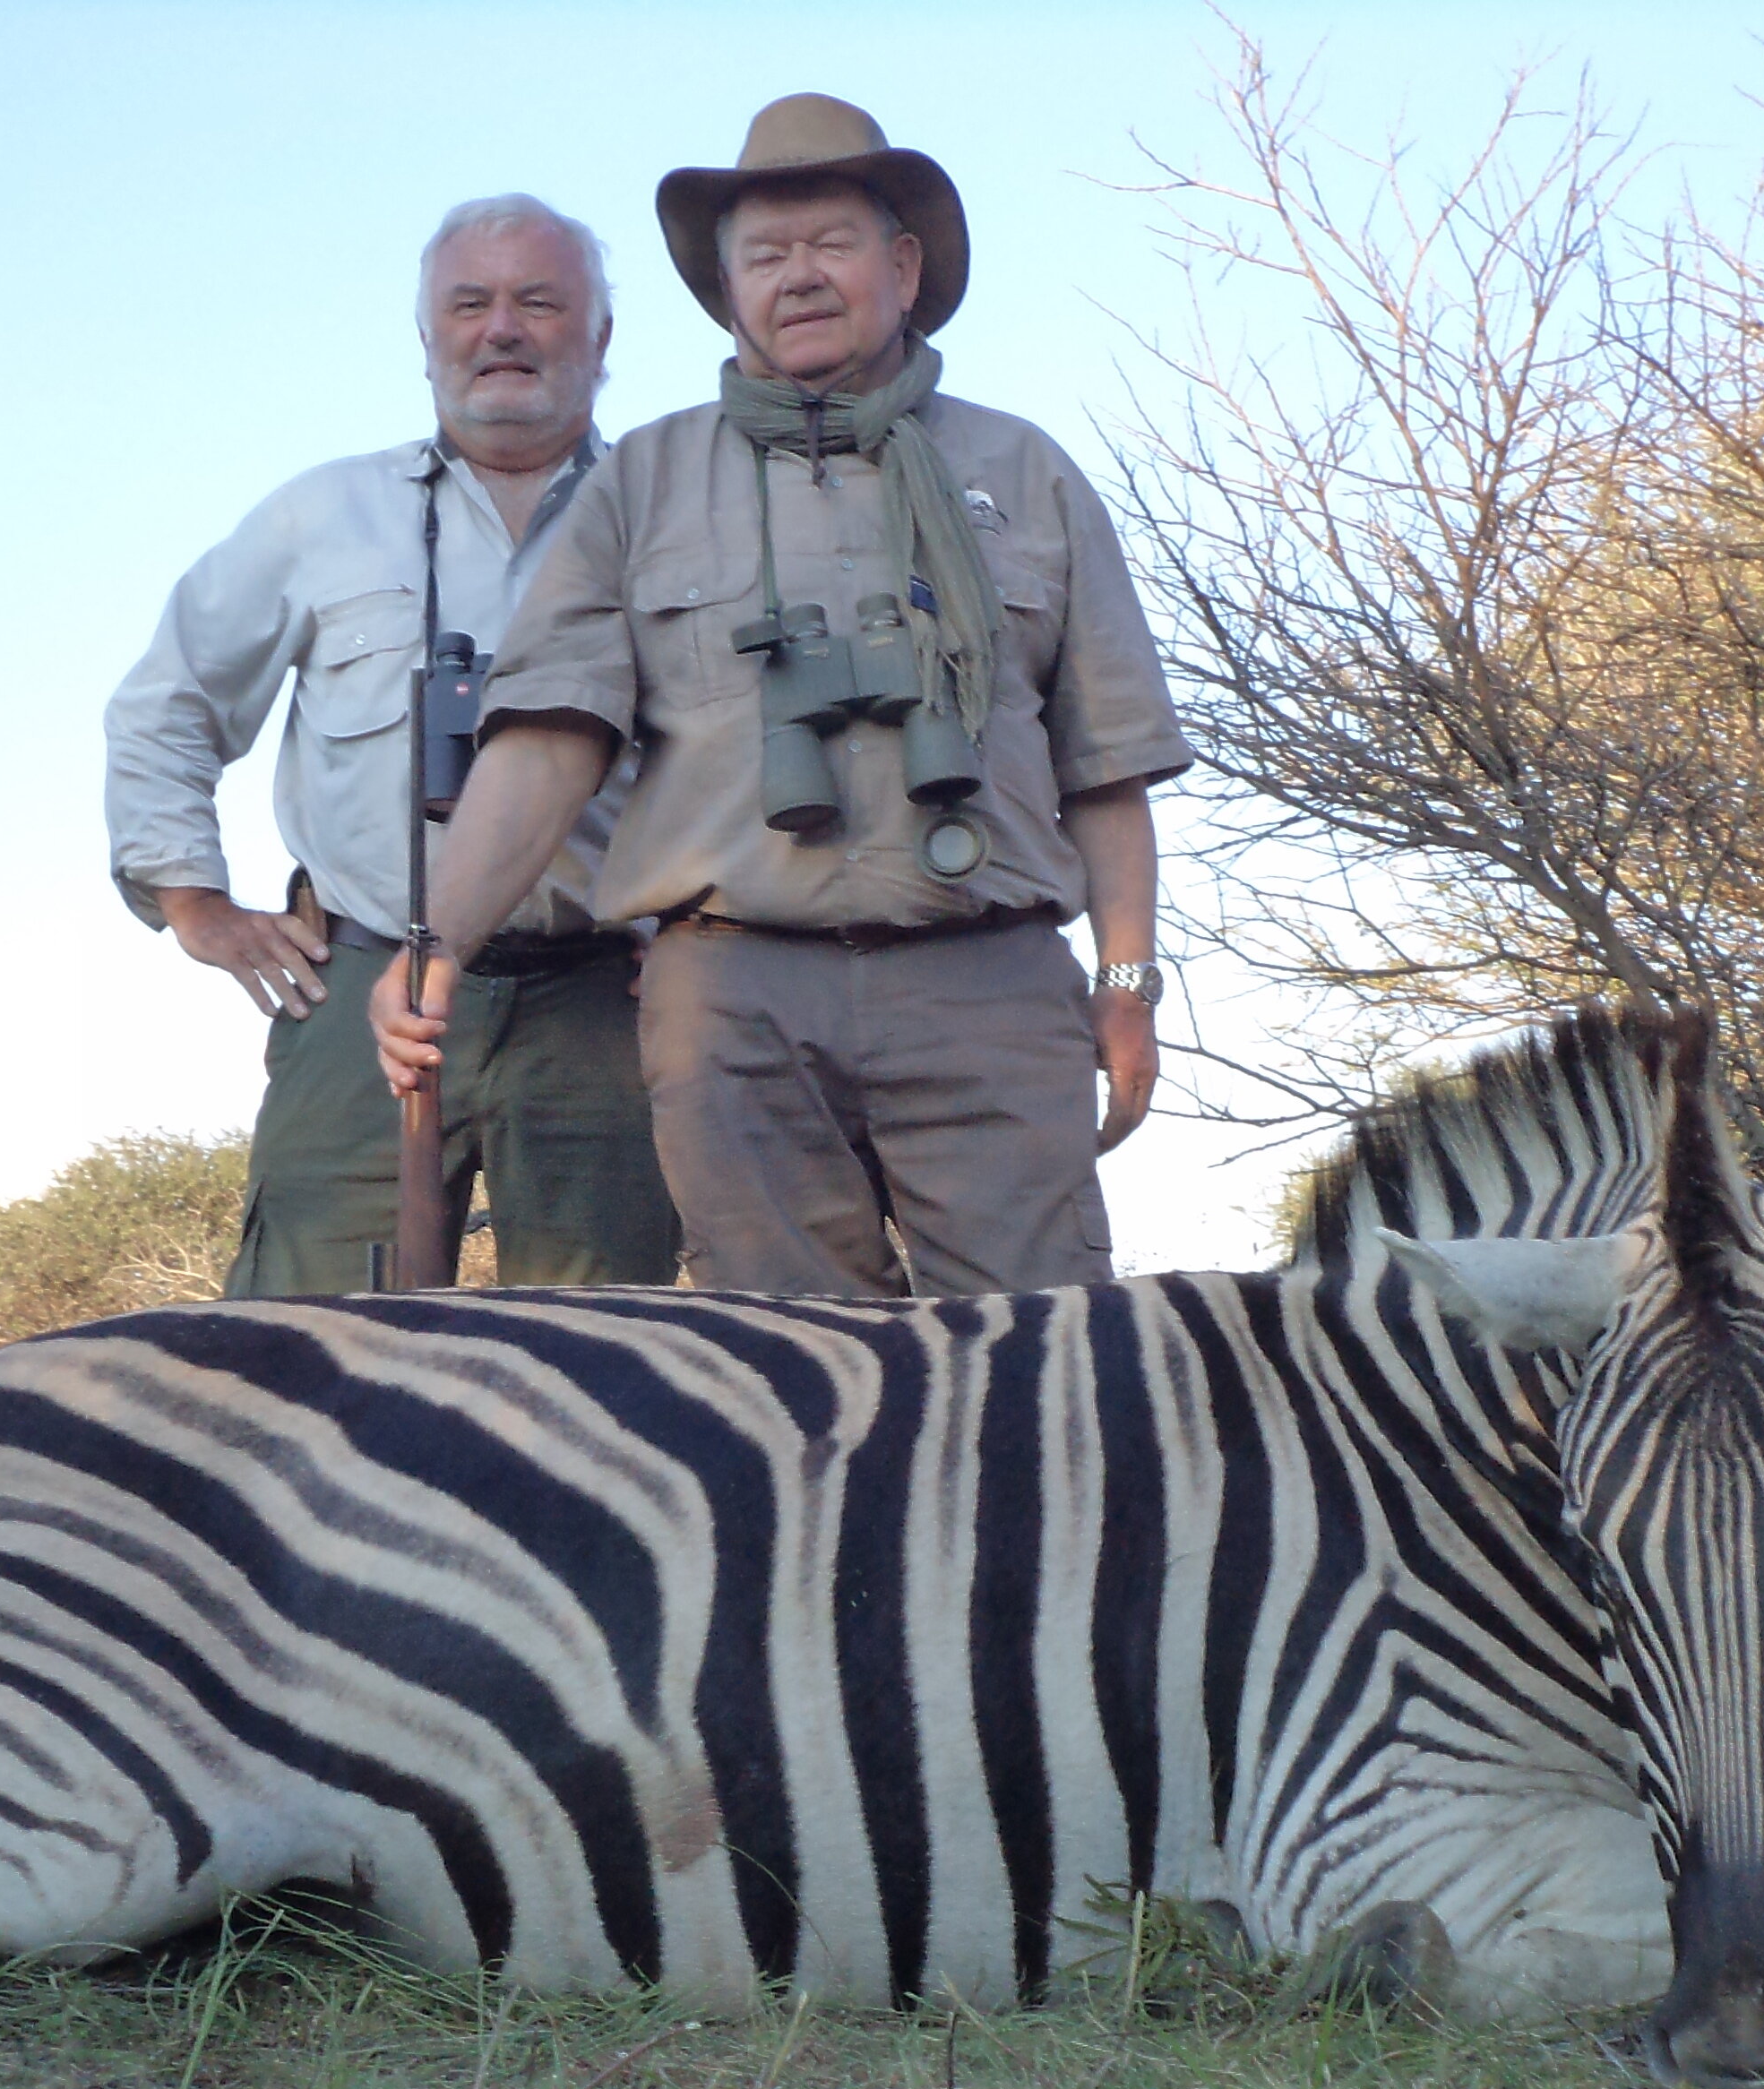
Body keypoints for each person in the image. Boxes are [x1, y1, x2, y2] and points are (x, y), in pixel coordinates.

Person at [369, 96, 1191, 1297]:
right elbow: (546, 744)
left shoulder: (1028, 470)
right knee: (789, 1394)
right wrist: (435, 944)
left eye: (831, 243)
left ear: (903, 268)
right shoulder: (639, 481)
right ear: (727, 286)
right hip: (733, 1005)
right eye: (764, 253)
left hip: (991, 983)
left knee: (1047, 1370)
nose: (798, 275)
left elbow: (1107, 768)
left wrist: (1126, 984)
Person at [106, 195, 679, 1293]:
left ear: (600, 337)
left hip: (605, 1004)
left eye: (540, 302)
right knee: (307, 1360)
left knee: (603, 1372)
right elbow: (167, 700)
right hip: (362, 981)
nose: (501, 329)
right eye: (470, 303)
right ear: (428, 337)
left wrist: (702, 922)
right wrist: (194, 903)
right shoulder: (322, 514)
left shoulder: (671, 514)